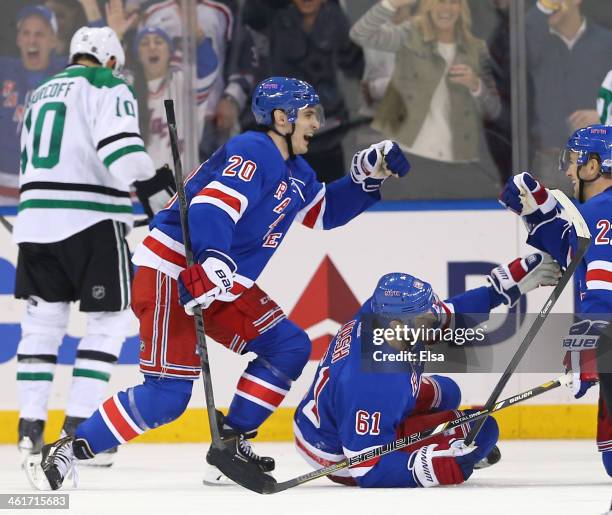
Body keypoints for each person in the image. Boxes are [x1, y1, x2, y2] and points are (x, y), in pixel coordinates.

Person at [23, 76, 411, 491]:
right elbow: (212, 208)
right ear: (282, 118)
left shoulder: (297, 171)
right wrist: (213, 261)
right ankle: (69, 448)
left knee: (289, 347)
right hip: (173, 271)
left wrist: (367, 178)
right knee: (167, 398)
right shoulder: (254, 149)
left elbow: (324, 212)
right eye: (310, 114)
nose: (316, 124)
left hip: (220, 280)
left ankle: (228, 446)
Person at [14, 26, 175, 467]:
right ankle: (79, 429)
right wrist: (158, 191)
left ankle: (29, 429)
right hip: (90, 221)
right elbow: (120, 150)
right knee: (111, 319)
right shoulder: (108, 83)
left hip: (35, 222)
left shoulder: (42, 91)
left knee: (43, 323)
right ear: (109, 61)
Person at [294, 258, 561, 487]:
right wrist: (436, 465)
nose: (435, 317)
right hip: (336, 452)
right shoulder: (375, 381)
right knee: (483, 430)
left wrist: (500, 291)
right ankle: (415, 440)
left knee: (448, 393)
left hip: (341, 407)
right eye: (425, 316)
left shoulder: (380, 312)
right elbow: (366, 468)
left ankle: (408, 429)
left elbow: (447, 313)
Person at [499, 124, 612, 478]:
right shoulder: (597, 213)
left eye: (573, 160)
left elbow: (600, 288)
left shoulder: (599, 214)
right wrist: (534, 211)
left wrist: (586, 351)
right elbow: (573, 247)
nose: (567, 170)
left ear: (593, 167)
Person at [350, 0, 501, 200]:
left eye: (453, 2)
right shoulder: (410, 35)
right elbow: (360, 34)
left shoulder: (477, 48)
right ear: (427, 5)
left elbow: (494, 111)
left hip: (460, 161)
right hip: (409, 154)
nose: (445, 8)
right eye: (439, 1)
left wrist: (477, 86)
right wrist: (392, 4)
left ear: (461, 7)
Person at [253, 0, 365, 183]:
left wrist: (371, 86)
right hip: (285, 129)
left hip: (328, 126)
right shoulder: (270, 17)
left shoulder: (335, 18)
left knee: (330, 196)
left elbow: (352, 60)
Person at [526, 0, 612, 193]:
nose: (548, 4)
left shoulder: (607, 43)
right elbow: (509, 53)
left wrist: (603, 116)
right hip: (548, 162)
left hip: (599, 161)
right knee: (551, 222)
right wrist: (541, 11)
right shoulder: (533, 43)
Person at [0, 6, 66, 205]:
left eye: (40, 34)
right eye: (26, 33)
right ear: (18, 39)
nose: (32, 40)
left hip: (50, 186)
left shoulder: (68, 73)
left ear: (54, 41)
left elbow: (105, 71)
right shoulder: (3, 69)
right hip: (3, 184)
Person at [133, 26, 218, 168]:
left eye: (159, 42)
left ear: (169, 52)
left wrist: (200, 40)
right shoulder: (129, 86)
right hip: (140, 185)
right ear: (138, 55)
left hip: (181, 184)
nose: (152, 47)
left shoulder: (182, 82)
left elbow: (208, 68)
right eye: (145, 43)